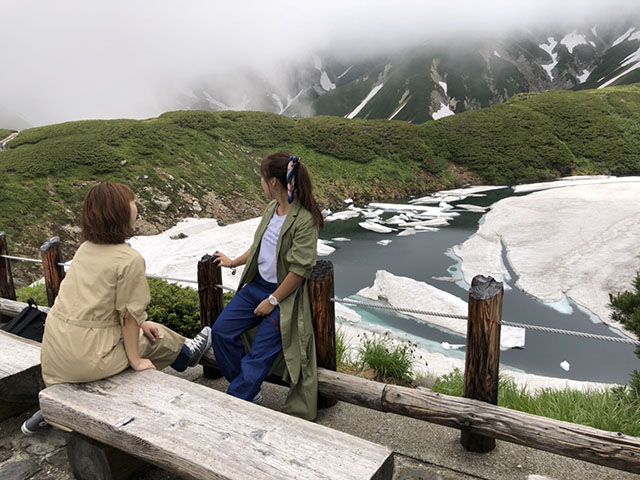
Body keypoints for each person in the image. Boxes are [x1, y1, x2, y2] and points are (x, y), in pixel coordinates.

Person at [23, 182, 211, 435]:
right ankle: (188, 354)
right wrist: (136, 360)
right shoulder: (129, 259)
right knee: (157, 338)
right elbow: (129, 319)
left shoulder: (85, 249)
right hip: (88, 356)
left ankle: (50, 412)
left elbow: (99, 303)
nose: (136, 207)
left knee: (146, 327)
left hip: (56, 352)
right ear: (119, 213)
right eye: (131, 203)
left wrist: (141, 322)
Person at [211, 152, 323, 421]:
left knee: (259, 354)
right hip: (258, 286)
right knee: (221, 332)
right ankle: (248, 390)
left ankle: (232, 406)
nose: (260, 184)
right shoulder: (270, 210)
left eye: (261, 179)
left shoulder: (304, 219)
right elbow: (259, 244)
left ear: (273, 182)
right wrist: (233, 261)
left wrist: (272, 300)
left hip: (285, 296)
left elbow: (299, 270)